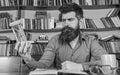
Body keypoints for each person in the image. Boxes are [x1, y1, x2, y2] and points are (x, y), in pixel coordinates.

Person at [15, 3, 107, 71]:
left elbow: (107, 62)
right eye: (63, 20)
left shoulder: (90, 41)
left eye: (70, 20)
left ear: (80, 22)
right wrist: (27, 58)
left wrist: (81, 66)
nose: (66, 24)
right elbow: (42, 64)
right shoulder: (54, 40)